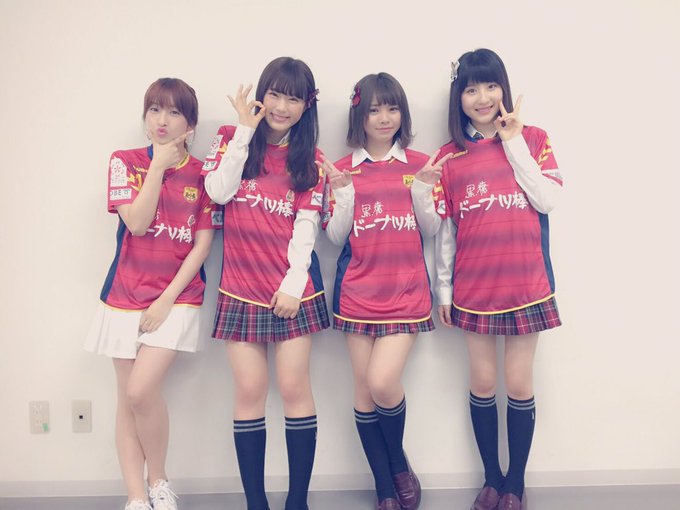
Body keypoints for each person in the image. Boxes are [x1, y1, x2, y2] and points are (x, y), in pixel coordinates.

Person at [411, 48, 563, 510]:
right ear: (458, 96)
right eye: (471, 89)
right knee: (482, 384)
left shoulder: (533, 138)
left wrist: (513, 142)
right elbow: (443, 231)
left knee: (518, 385)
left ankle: (515, 484)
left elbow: (547, 199)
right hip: (473, 288)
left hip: (526, 284)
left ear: (504, 88)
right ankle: (492, 479)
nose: (482, 97)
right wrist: (444, 290)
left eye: (491, 86)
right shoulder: (448, 157)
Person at [84, 78, 220, 510]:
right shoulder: (123, 162)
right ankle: (137, 496)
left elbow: (201, 246)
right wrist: (158, 167)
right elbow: (138, 224)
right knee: (127, 399)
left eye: (174, 112)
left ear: (190, 124)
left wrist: (166, 301)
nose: (162, 120)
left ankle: (158, 480)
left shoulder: (205, 175)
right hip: (123, 294)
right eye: (155, 110)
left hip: (178, 297)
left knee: (141, 391)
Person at [318, 73, 450, 510]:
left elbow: (430, 229)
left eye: (392, 108)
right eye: (373, 109)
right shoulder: (342, 169)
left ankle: (397, 463)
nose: (383, 117)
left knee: (382, 383)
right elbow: (335, 237)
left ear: (402, 114)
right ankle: (385, 487)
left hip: (407, 294)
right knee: (363, 392)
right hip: (357, 293)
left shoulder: (421, 164)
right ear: (359, 115)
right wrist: (344, 193)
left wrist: (424, 189)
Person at [201, 57, 329, 510]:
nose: (281, 106)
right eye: (275, 94)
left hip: (291, 291)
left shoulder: (311, 160)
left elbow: (306, 228)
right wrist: (243, 130)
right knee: (249, 393)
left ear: (306, 105)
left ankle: (298, 502)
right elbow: (217, 192)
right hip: (239, 288)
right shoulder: (230, 139)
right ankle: (256, 503)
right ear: (262, 94)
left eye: (293, 98)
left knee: (294, 390)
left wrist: (294, 285)